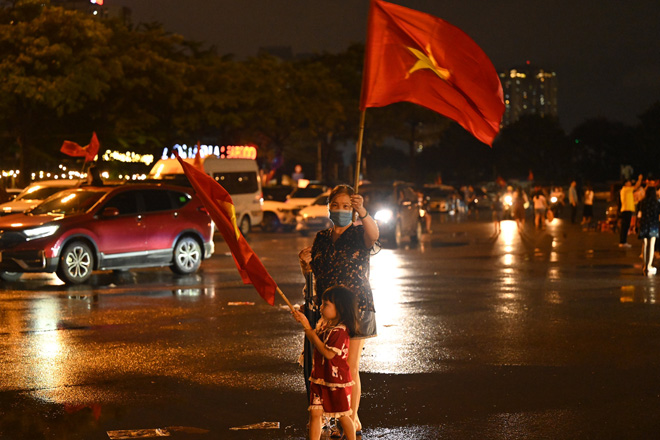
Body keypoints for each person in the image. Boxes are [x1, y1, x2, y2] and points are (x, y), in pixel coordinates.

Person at [298, 184, 379, 435]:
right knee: (325, 365)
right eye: (335, 205)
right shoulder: (321, 238)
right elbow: (313, 273)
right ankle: (330, 417)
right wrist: (304, 264)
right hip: (328, 309)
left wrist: (363, 212)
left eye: (346, 206)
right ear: (328, 208)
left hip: (355, 306)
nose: (340, 210)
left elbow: (374, 235)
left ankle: (351, 418)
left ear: (352, 210)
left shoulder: (359, 233)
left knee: (348, 366)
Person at [292, 286, 358, 440]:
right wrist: (305, 322)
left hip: (336, 381)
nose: (321, 308)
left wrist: (308, 329)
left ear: (340, 308)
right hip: (320, 378)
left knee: (342, 415)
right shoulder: (324, 325)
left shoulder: (340, 331)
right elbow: (314, 337)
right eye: (322, 303)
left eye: (326, 304)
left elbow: (328, 353)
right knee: (315, 413)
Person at [637, 186, 660, 275]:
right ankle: (649, 265)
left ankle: (644, 265)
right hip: (653, 225)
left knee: (645, 244)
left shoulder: (642, 202)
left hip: (644, 224)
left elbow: (639, 214)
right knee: (652, 245)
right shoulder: (656, 203)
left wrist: (637, 225)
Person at [619, 174, 643, 247]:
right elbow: (636, 186)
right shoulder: (626, 189)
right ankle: (623, 242)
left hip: (626, 210)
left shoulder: (627, 191)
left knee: (625, 227)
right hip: (626, 210)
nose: (630, 183)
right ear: (626, 183)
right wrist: (640, 179)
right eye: (629, 182)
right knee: (625, 227)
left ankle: (623, 241)